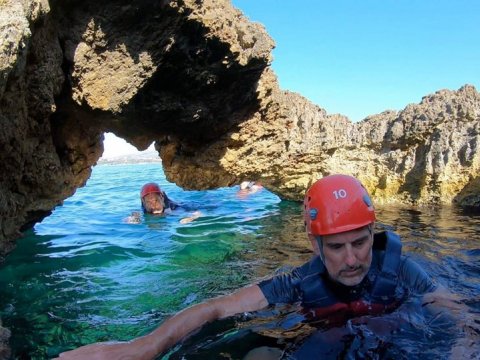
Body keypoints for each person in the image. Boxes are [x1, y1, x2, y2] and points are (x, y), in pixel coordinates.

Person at [57, 175, 477, 359]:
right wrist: (144, 346)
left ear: (373, 234)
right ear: (314, 243)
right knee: (257, 353)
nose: (352, 260)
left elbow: (455, 314)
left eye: (360, 242)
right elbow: (217, 307)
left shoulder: (401, 270)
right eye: (336, 247)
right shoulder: (298, 281)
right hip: (324, 343)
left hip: (399, 340)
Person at [124, 183, 201, 224]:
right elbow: (134, 215)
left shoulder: (174, 208)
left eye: (156, 200)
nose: (153, 204)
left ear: (162, 197)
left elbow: (198, 213)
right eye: (148, 201)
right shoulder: (144, 208)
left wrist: (191, 218)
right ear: (143, 202)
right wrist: (131, 218)